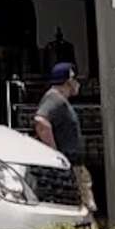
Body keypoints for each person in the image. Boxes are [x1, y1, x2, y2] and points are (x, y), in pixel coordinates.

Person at [33, 63, 95, 218]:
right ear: (68, 80)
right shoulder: (55, 99)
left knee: (85, 207)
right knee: (84, 207)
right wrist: (55, 154)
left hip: (73, 164)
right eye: (75, 80)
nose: (77, 84)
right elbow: (41, 121)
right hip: (71, 165)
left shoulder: (58, 100)